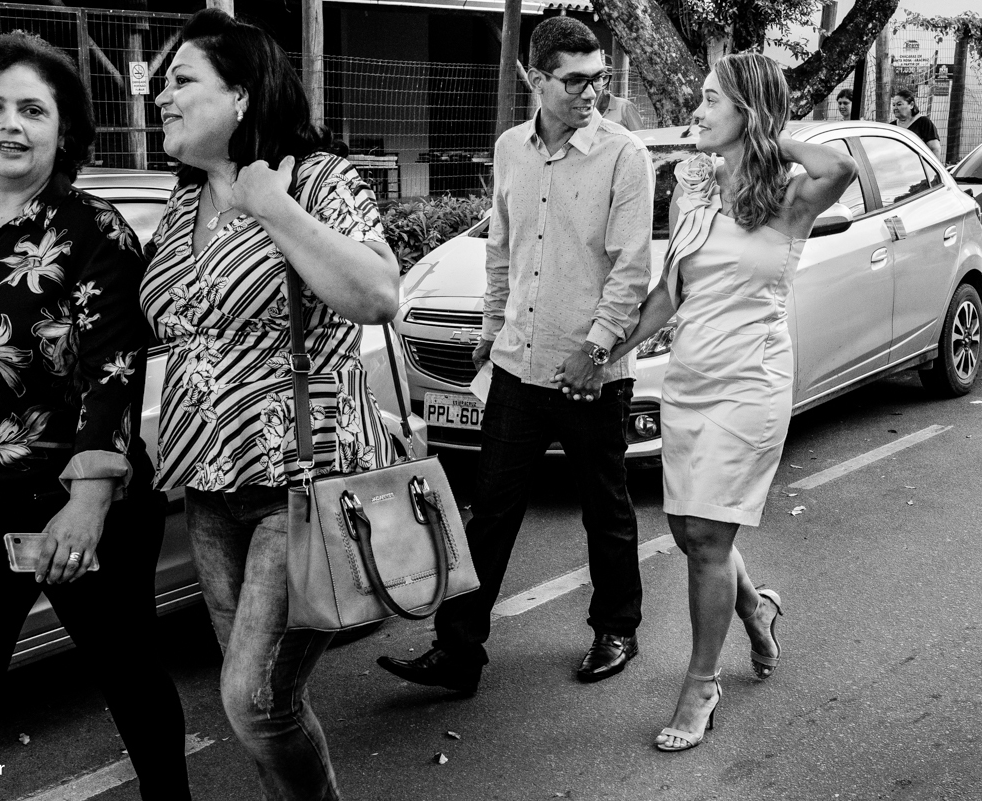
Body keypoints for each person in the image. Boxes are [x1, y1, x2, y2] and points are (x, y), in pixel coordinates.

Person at [0, 32, 191, 801]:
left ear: (63, 129)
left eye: (34, 109)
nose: (11, 124)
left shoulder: (94, 230)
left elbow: (114, 371)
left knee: (129, 679)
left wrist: (90, 500)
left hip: (75, 500)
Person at [139, 9, 399, 800]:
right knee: (264, 699)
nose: (161, 98)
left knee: (252, 699)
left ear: (243, 95)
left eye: (181, 80)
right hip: (208, 488)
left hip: (303, 480)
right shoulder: (180, 208)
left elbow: (380, 295)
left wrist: (276, 209)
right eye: (161, 85)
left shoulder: (316, 178)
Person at [377, 15, 652, 694]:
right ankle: (459, 651)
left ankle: (617, 626)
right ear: (535, 77)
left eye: (599, 79)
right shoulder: (510, 149)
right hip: (517, 365)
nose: (591, 93)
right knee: (491, 508)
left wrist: (595, 351)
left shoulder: (624, 155)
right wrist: (490, 331)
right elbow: (502, 251)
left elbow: (630, 270)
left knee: (603, 506)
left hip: (590, 370)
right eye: (574, 80)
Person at [609, 52, 857, 752]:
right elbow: (668, 293)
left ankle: (700, 683)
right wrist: (606, 351)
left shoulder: (789, 193)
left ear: (748, 110)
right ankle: (757, 608)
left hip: (752, 382)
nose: (697, 111)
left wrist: (768, 135)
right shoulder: (691, 187)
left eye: (712, 100)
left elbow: (840, 169)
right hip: (690, 378)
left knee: (709, 540)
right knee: (691, 532)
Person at [891, 88, 941, 162]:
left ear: (911, 105)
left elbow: (935, 149)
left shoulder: (923, 122)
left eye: (899, 104)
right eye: (893, 105)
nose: (895, 108)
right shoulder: (891, 127)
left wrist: (933, 171)